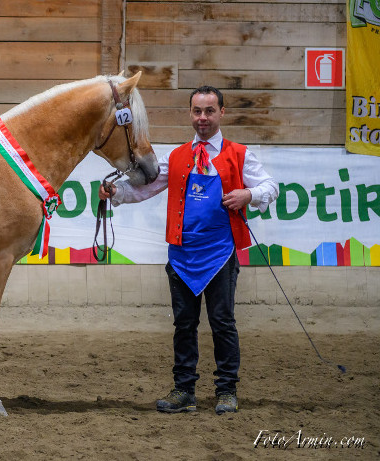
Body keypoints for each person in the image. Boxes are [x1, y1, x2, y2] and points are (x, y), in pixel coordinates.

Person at [99, 86, 279, 415]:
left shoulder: (239, 154)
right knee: (184, 326)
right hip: (182, 256)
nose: (203, 118)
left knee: (223, 323)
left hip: (220, 255)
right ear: (190, 114)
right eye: (197, 111)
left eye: (209, 111)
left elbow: (270, 186)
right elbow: (147, 187)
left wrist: (247, 195)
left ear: (221, 113)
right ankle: (184, 390)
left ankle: (226, 390)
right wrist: (117, 192)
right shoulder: (178, 157)